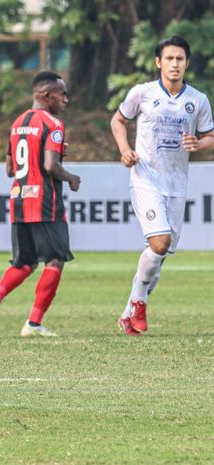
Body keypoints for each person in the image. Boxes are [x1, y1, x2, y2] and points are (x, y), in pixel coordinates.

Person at [110, 35, 214, 336]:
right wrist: (124, 150)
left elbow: (210, 136)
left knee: (160, 254)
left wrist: (200, 143)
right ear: (158, 62)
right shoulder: (142, 94)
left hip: (177, 184)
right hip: (146, 179)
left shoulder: (198, 100)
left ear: (187, 63)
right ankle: (140, 305)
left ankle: (130, 307)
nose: (174, 64)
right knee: (159, 243)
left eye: (180, 59)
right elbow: (118, 120)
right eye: (169, 58)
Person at [0, 71, 81, 337]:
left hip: (19, 200)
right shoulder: (53, 124)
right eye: (62, 94)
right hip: (45, 203)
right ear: (46, 95)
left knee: (24, 262)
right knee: (55, 260)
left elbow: (9, 168)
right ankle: (33, 324)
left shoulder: (17, 123)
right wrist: (70, 177)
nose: (66, 99)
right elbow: (50, 166)